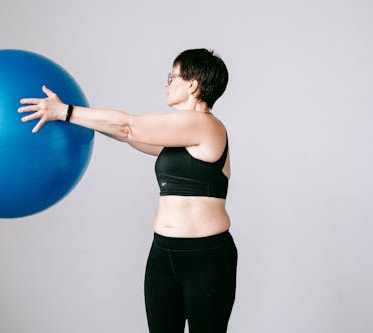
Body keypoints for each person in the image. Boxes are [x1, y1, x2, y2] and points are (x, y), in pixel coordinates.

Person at [18, 48, 237, 333]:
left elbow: (130, 127)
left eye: (172, 76)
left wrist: (67, 111)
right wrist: (79, 119)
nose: (167, 83)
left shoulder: (207, 126)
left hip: (205, 258)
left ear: (192, 84)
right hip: (162, 254)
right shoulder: (179, 137)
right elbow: (129, 137)